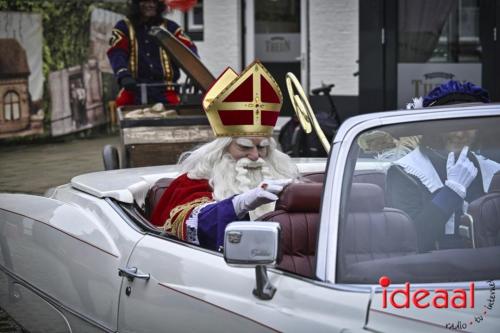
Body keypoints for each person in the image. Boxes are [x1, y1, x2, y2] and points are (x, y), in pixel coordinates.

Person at [150, 61, 300, 251]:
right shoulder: (194, 182)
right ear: (221, 148)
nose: (255, 156)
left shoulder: (286, 177)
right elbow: (187, 224)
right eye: (244, 147)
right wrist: (238, 205)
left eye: (262, 148)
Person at [386, 80, 500, 252]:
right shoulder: (405, 172)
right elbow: (410, 242)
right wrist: (452, 192)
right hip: (430, 271)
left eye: (469, 126)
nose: (460, 134)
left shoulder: (492, 170)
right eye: (451, 126)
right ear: (433, 128)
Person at [107, 0, 198, 106]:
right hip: (133, 90)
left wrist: (195, 76)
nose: (150, 5)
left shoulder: (171, 27)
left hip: (166, 92)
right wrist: (123, 75)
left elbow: (189, 50)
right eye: (145, 1)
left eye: (154, 2)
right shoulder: (123, 26)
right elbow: (117, 52)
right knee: (124, 114)